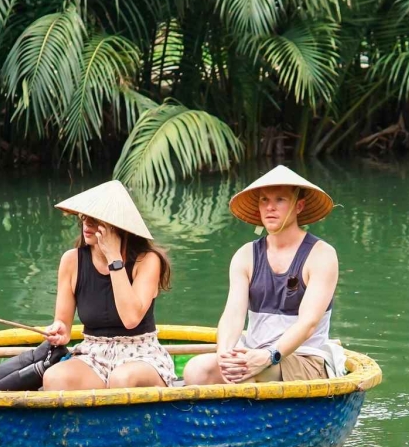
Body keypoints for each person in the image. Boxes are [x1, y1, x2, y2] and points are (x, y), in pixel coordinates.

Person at [184, 166, 342, 386]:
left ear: (299, 206)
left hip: (305, 359)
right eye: (264, 200)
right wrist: (225, 354)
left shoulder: (321, 254)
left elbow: (309, 323)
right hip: (254, 354)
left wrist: (270, 355)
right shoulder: (246, 255)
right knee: (197, 370)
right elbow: (233, 315)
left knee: (253, 372)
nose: (270, 208)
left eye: (279, 200)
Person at [40, 180, 177, 390]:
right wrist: (58, 330)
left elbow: (131, 318)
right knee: (54, 377)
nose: (86, 224)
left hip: (141, 354)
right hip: (93, 354)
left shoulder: (147, 260)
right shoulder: (71, 260)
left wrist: (114, 258)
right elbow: (64, 326)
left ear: (117, 226)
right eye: (85, 216)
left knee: (121, 379)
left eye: (96, 219)